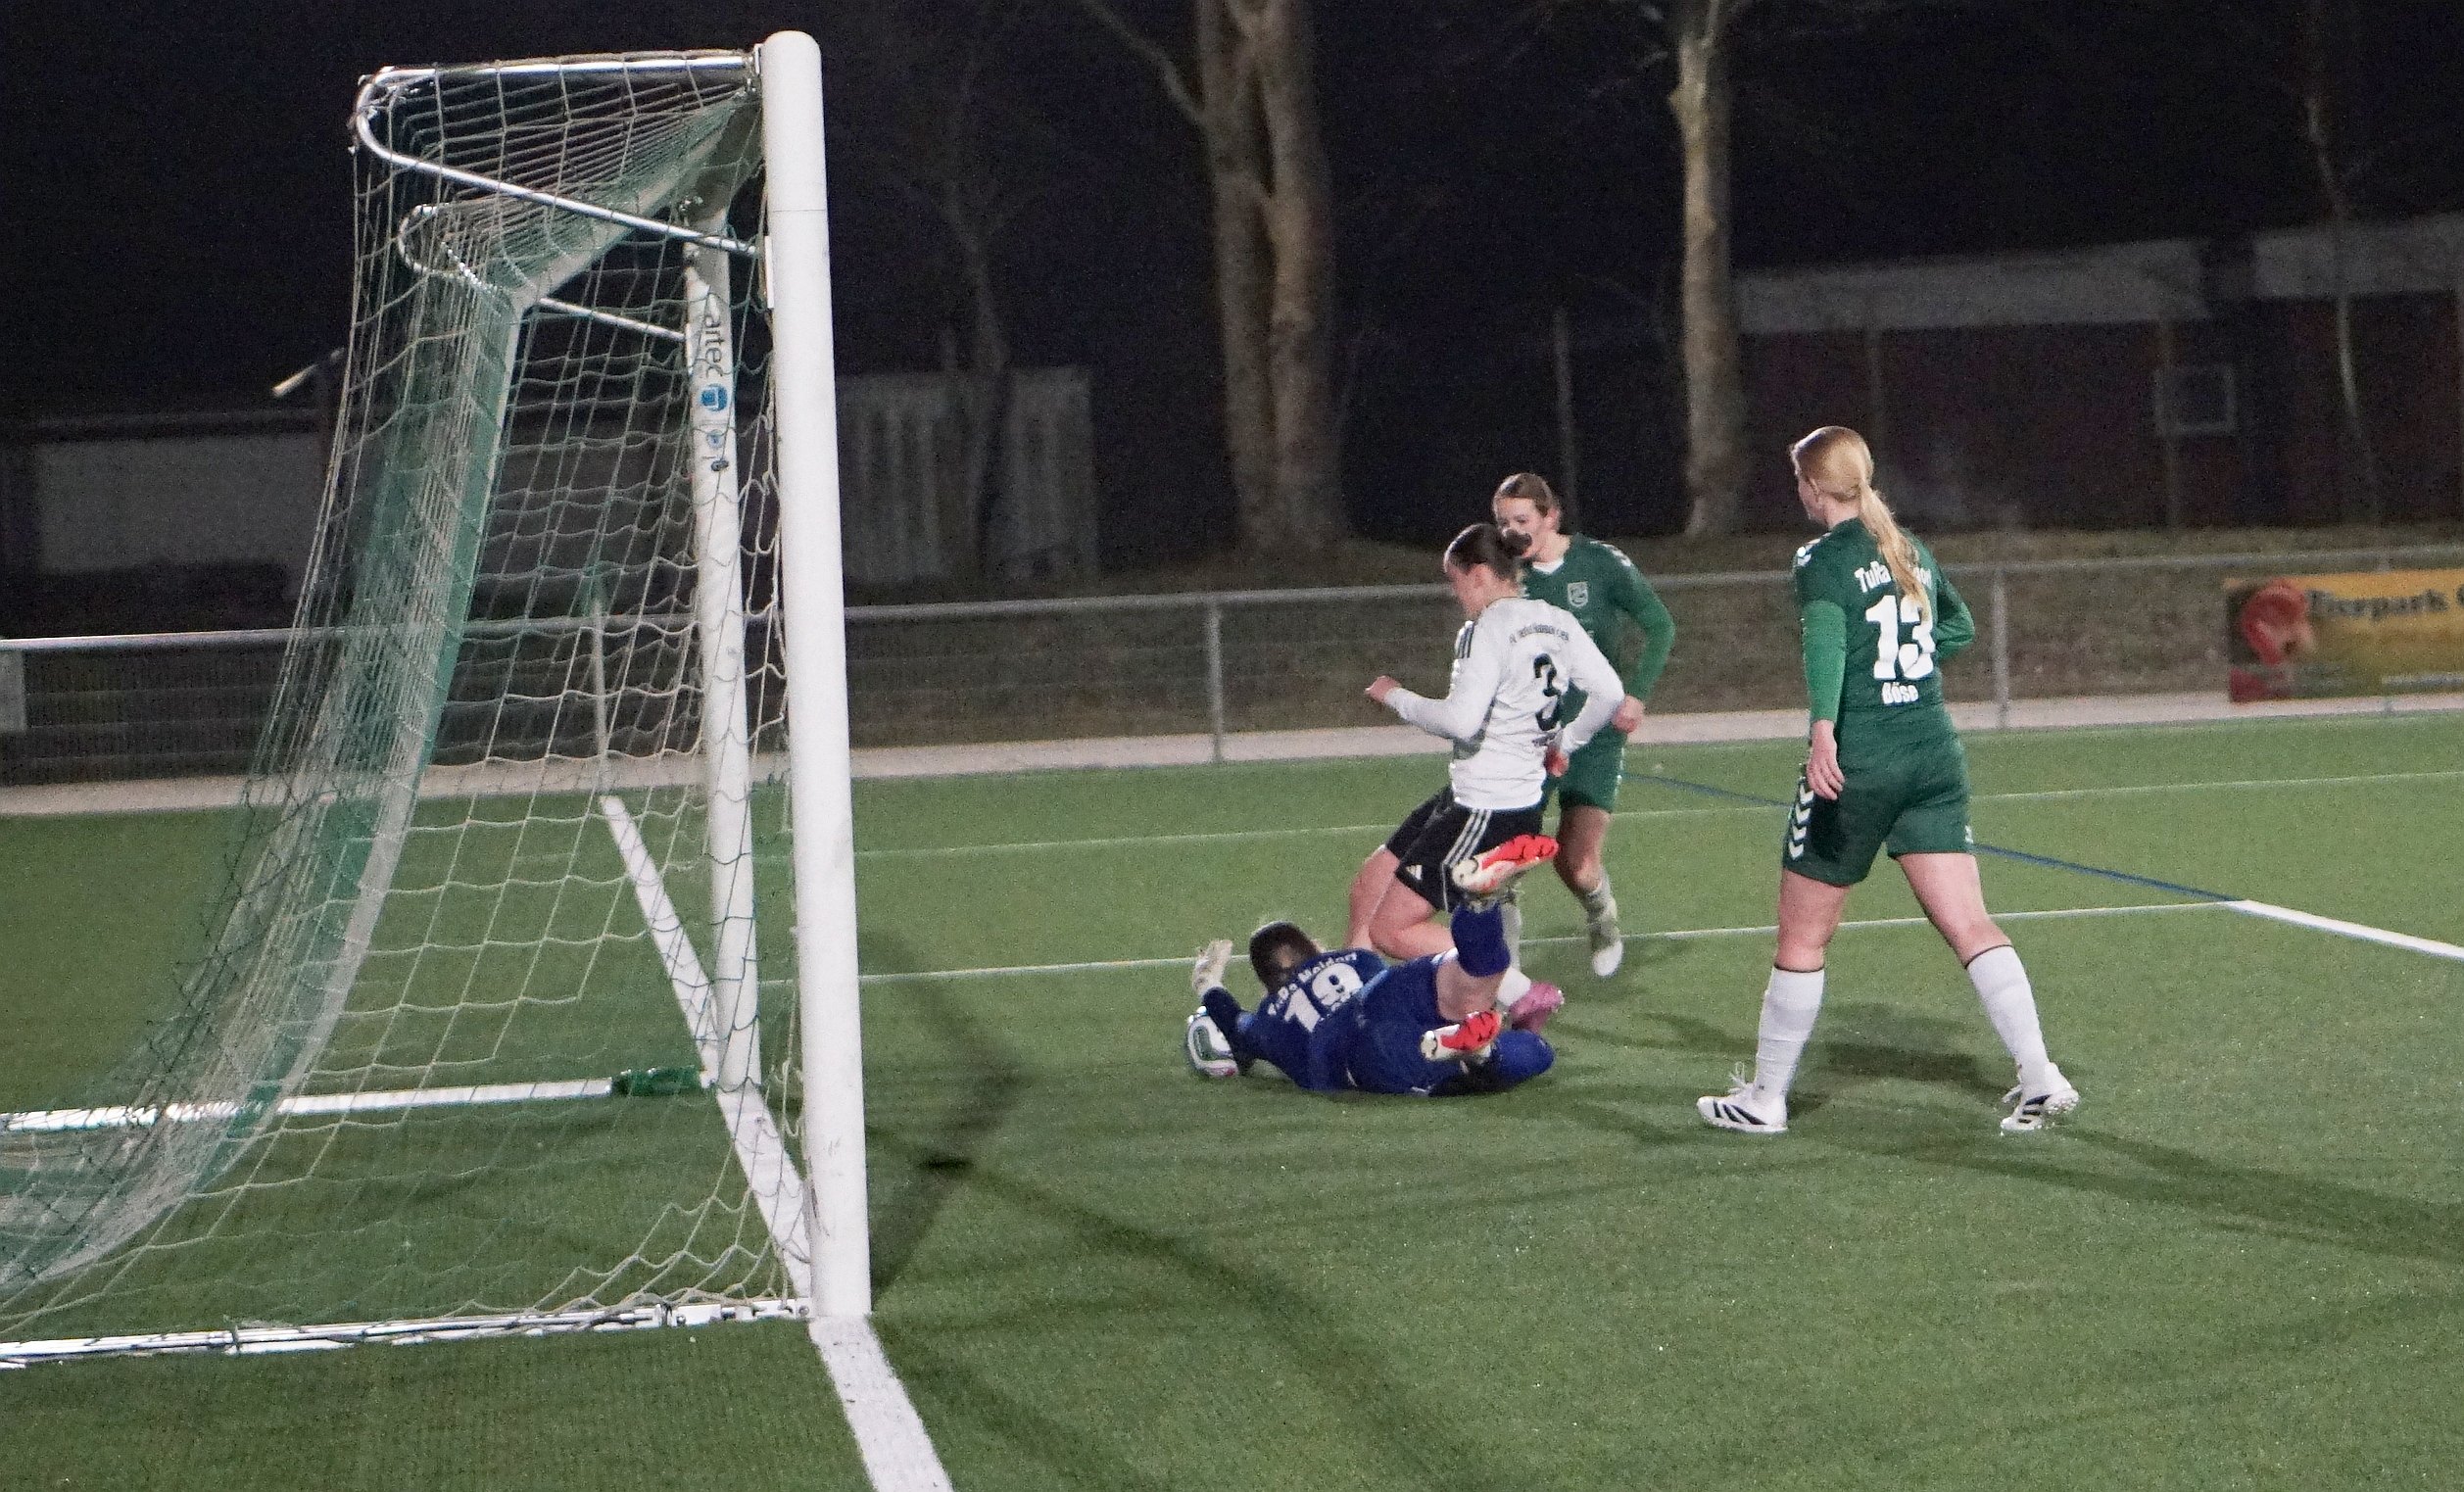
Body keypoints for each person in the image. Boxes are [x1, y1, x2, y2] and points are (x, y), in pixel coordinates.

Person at [1698, 426, 2079, 1136]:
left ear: (1814, 486)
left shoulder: (1821, 559)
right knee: (1970, 923)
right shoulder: (1907, 547)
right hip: (1932, 753)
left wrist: (1823, 730)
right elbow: (1958, 627)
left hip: (1862, 762)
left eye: (1798, 480)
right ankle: (2040, 1073)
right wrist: (1904, 666)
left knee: (1802, 937)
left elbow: (1825, 646)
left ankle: (1765, 1099)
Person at [1343, 524, 1642, 1021]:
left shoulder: (1489, 627)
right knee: (1371, 881)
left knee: (1391, 930)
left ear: (1479, 574)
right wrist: (1565, 742)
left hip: (1486, 807)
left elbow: (1460, 720)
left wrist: (1396, 697)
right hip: (1481, 795)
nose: (1455, 594)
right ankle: (1353, 1004)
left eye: (1456, 581)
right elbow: (1610, 693)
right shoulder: (1556, 620)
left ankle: (1517, 990)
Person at [1185, 836, 1560, 1096]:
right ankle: (1479, 905)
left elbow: (1234, 1023)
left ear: (1270, 982)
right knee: (1473, 977)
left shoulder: (1271, 1019)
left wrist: (1209, 985)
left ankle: (1481, 1053)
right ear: (1313, 947)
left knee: (1528, 1054)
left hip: (1360, 1052)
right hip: (1385, 990)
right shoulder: (1355, 958)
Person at [1490, 471, 1675, 978]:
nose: (1512, 532)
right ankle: (1504, 973)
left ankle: (1602, 915)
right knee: (1502, 863)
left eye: (1522, 520)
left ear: (1551, 517)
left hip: (1593, 737)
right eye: (1503, 522)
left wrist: (1636, 694)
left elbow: (1660, 624)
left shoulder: (1599, 563)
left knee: (1576, 864)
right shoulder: (1506, 576)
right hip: (1529, 740)